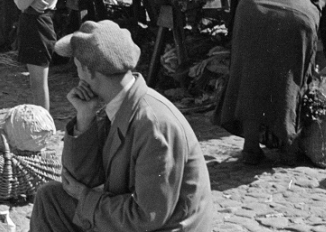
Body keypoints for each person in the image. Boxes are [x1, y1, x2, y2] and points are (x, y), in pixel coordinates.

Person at [30, 20, 213, 232]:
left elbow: (146, 216)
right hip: (137, 220)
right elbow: (78, 180)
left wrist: (86, 199)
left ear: (88, 71)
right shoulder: (116, 104)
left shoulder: (153, 124)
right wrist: (84, 119)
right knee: (51, 199)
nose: (78, 76)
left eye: (78, 67)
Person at [215, 0, 326, 165]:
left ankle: (250, 148)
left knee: (250, 79)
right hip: (296, 16)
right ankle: (288, 148)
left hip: (251, 10)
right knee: (291, 80)